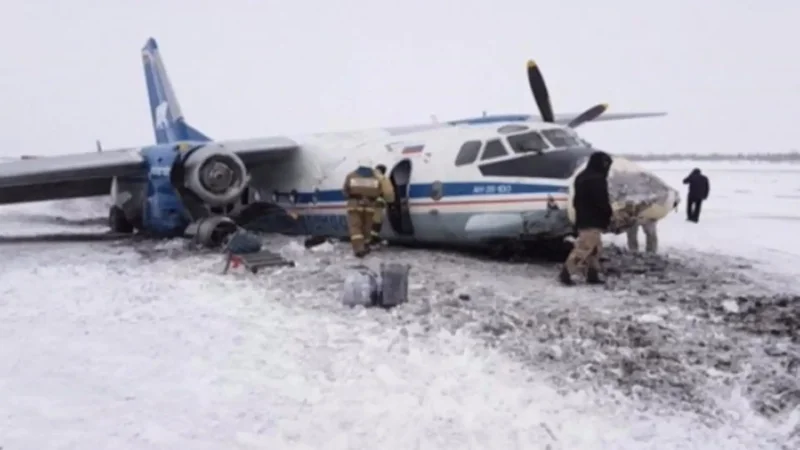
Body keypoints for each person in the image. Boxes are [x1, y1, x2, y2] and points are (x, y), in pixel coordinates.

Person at [559, 151, 614, 286]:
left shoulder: (582, 177)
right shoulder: (597, 180)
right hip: (593, 219)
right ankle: (566, 272)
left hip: (583, 218)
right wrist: (608, 213)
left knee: (595, 249)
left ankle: (592, 274)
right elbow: (601, 200)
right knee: (585, 248)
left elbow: (576, 201)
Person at [342, 159, 385, 257]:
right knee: (367, 227)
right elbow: (380, 192)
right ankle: (366, 245)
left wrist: (353, 195)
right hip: (369, 206)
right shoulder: (376, 178)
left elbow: (345, 191)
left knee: (355, 227)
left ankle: (359, 249)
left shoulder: (351, 175)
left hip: (355, 205)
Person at [371, 164, 395, 245]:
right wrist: (391, 203)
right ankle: (372, 239)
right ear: (383, 171)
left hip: (364, 203)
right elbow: (388, 192)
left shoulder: (367, 177)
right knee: (376, 221)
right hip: (377, 204)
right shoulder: (382, 178)